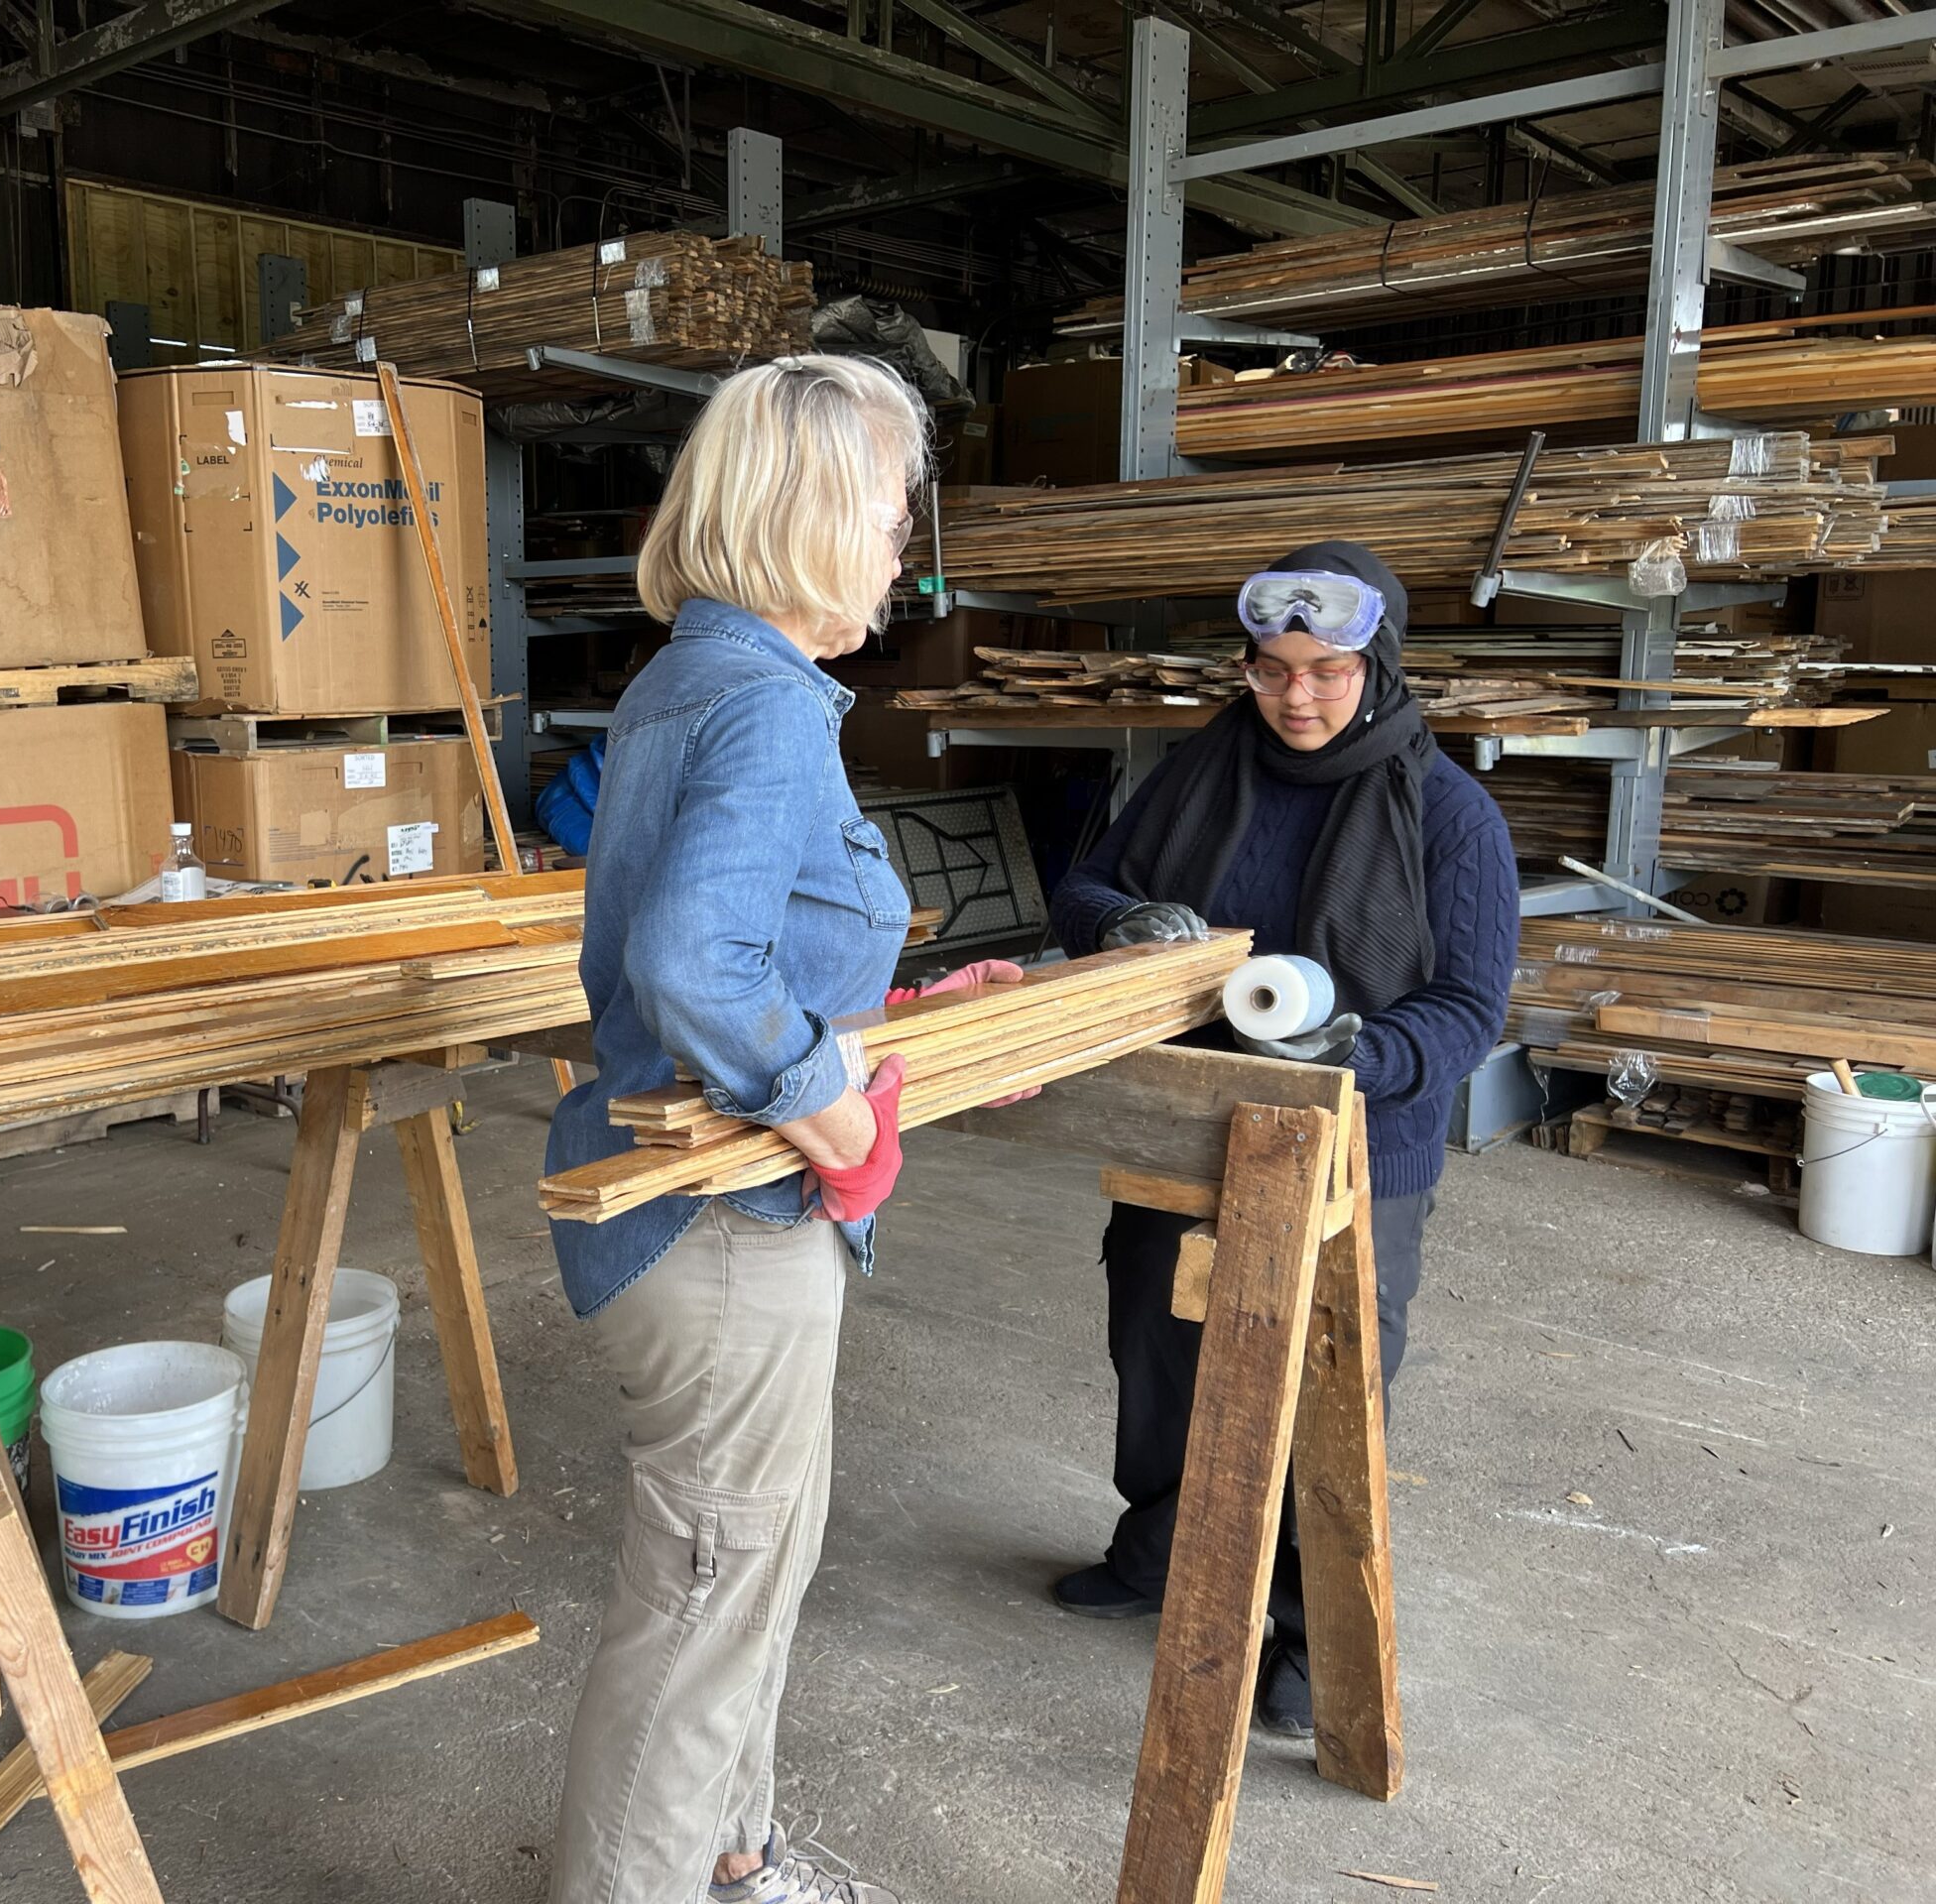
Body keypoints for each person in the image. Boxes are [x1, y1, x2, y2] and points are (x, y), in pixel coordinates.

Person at [543, 356, 1010, 1904]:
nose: (900, 551)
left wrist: (910, 1013)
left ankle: (733, 1859)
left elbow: (759, 936)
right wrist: (828, 1114)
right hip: (721, 1228)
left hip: (719, 1216)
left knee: (749, 1575)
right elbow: (694, 961)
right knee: (700, 1606)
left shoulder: (699, 674)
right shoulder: (762, 706)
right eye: (886, 515)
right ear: (810, 521)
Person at [1044, 540, 1518, 1736]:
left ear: (1380, 665)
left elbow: (1465, 1010)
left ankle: (1307, 1632)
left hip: (1358, 1144)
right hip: (1184, 1114)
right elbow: (1084, 887)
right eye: (1267, 669)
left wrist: (1348, 1058)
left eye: (1326, 671)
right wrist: (1127, 922)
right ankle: (1159, 1546)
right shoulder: (1201, 770)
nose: (1295, 697)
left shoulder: (1448, 818)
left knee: (1329, 1386)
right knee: (1153, 1345)